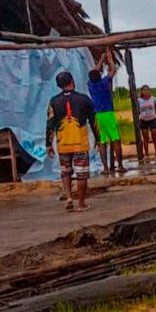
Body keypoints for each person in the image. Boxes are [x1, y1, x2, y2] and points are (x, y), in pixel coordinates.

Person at [46, 70, 100, 212]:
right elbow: (94, 121)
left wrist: (48, 144)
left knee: (66, 172)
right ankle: (81, 203)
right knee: (82, 174)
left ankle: (69, 197)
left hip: (63, 144)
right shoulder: (84, 99)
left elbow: (50, 124)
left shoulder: (53, 101)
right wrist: (99, 139)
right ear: (73, 82)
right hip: (80, 143)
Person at [87, 59, 126, 175]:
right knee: (115, 140)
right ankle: (120, 165)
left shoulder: (91, 85)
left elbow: (95, 71)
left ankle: (105, 168)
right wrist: (108, 56)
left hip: (97, 116)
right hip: (108, 114)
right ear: (100, 75)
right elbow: (113, 69)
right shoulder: (105, 82)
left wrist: (101, 59)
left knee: (101, 143)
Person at [137, 84, 156, 158]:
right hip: (143, 121)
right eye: (144, 90)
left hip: (153, 119)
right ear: (142, 91)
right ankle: (147, 154)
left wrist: (154, 114)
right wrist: (141, 116)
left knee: (154, 136)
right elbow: (137, 110)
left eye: (147, 90)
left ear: (149, 91)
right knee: (145, 138)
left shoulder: (153, 99)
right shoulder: (139, 100)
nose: (146, 92)